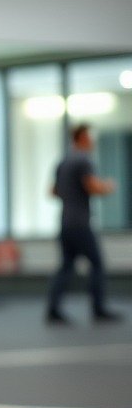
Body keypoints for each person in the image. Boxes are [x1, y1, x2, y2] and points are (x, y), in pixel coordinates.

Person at [45, 123, 122, 325]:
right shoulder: (83, 160)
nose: (92, 141)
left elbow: (53, 191)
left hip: (65, 222)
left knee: (66, 266)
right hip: (79, 223)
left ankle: (53, 309)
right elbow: (92, 187)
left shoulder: (63, 161)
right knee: (96, 264)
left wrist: (70, 194)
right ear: (82, 138)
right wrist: (108, 186)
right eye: (90, 137)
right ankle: (98, 309)